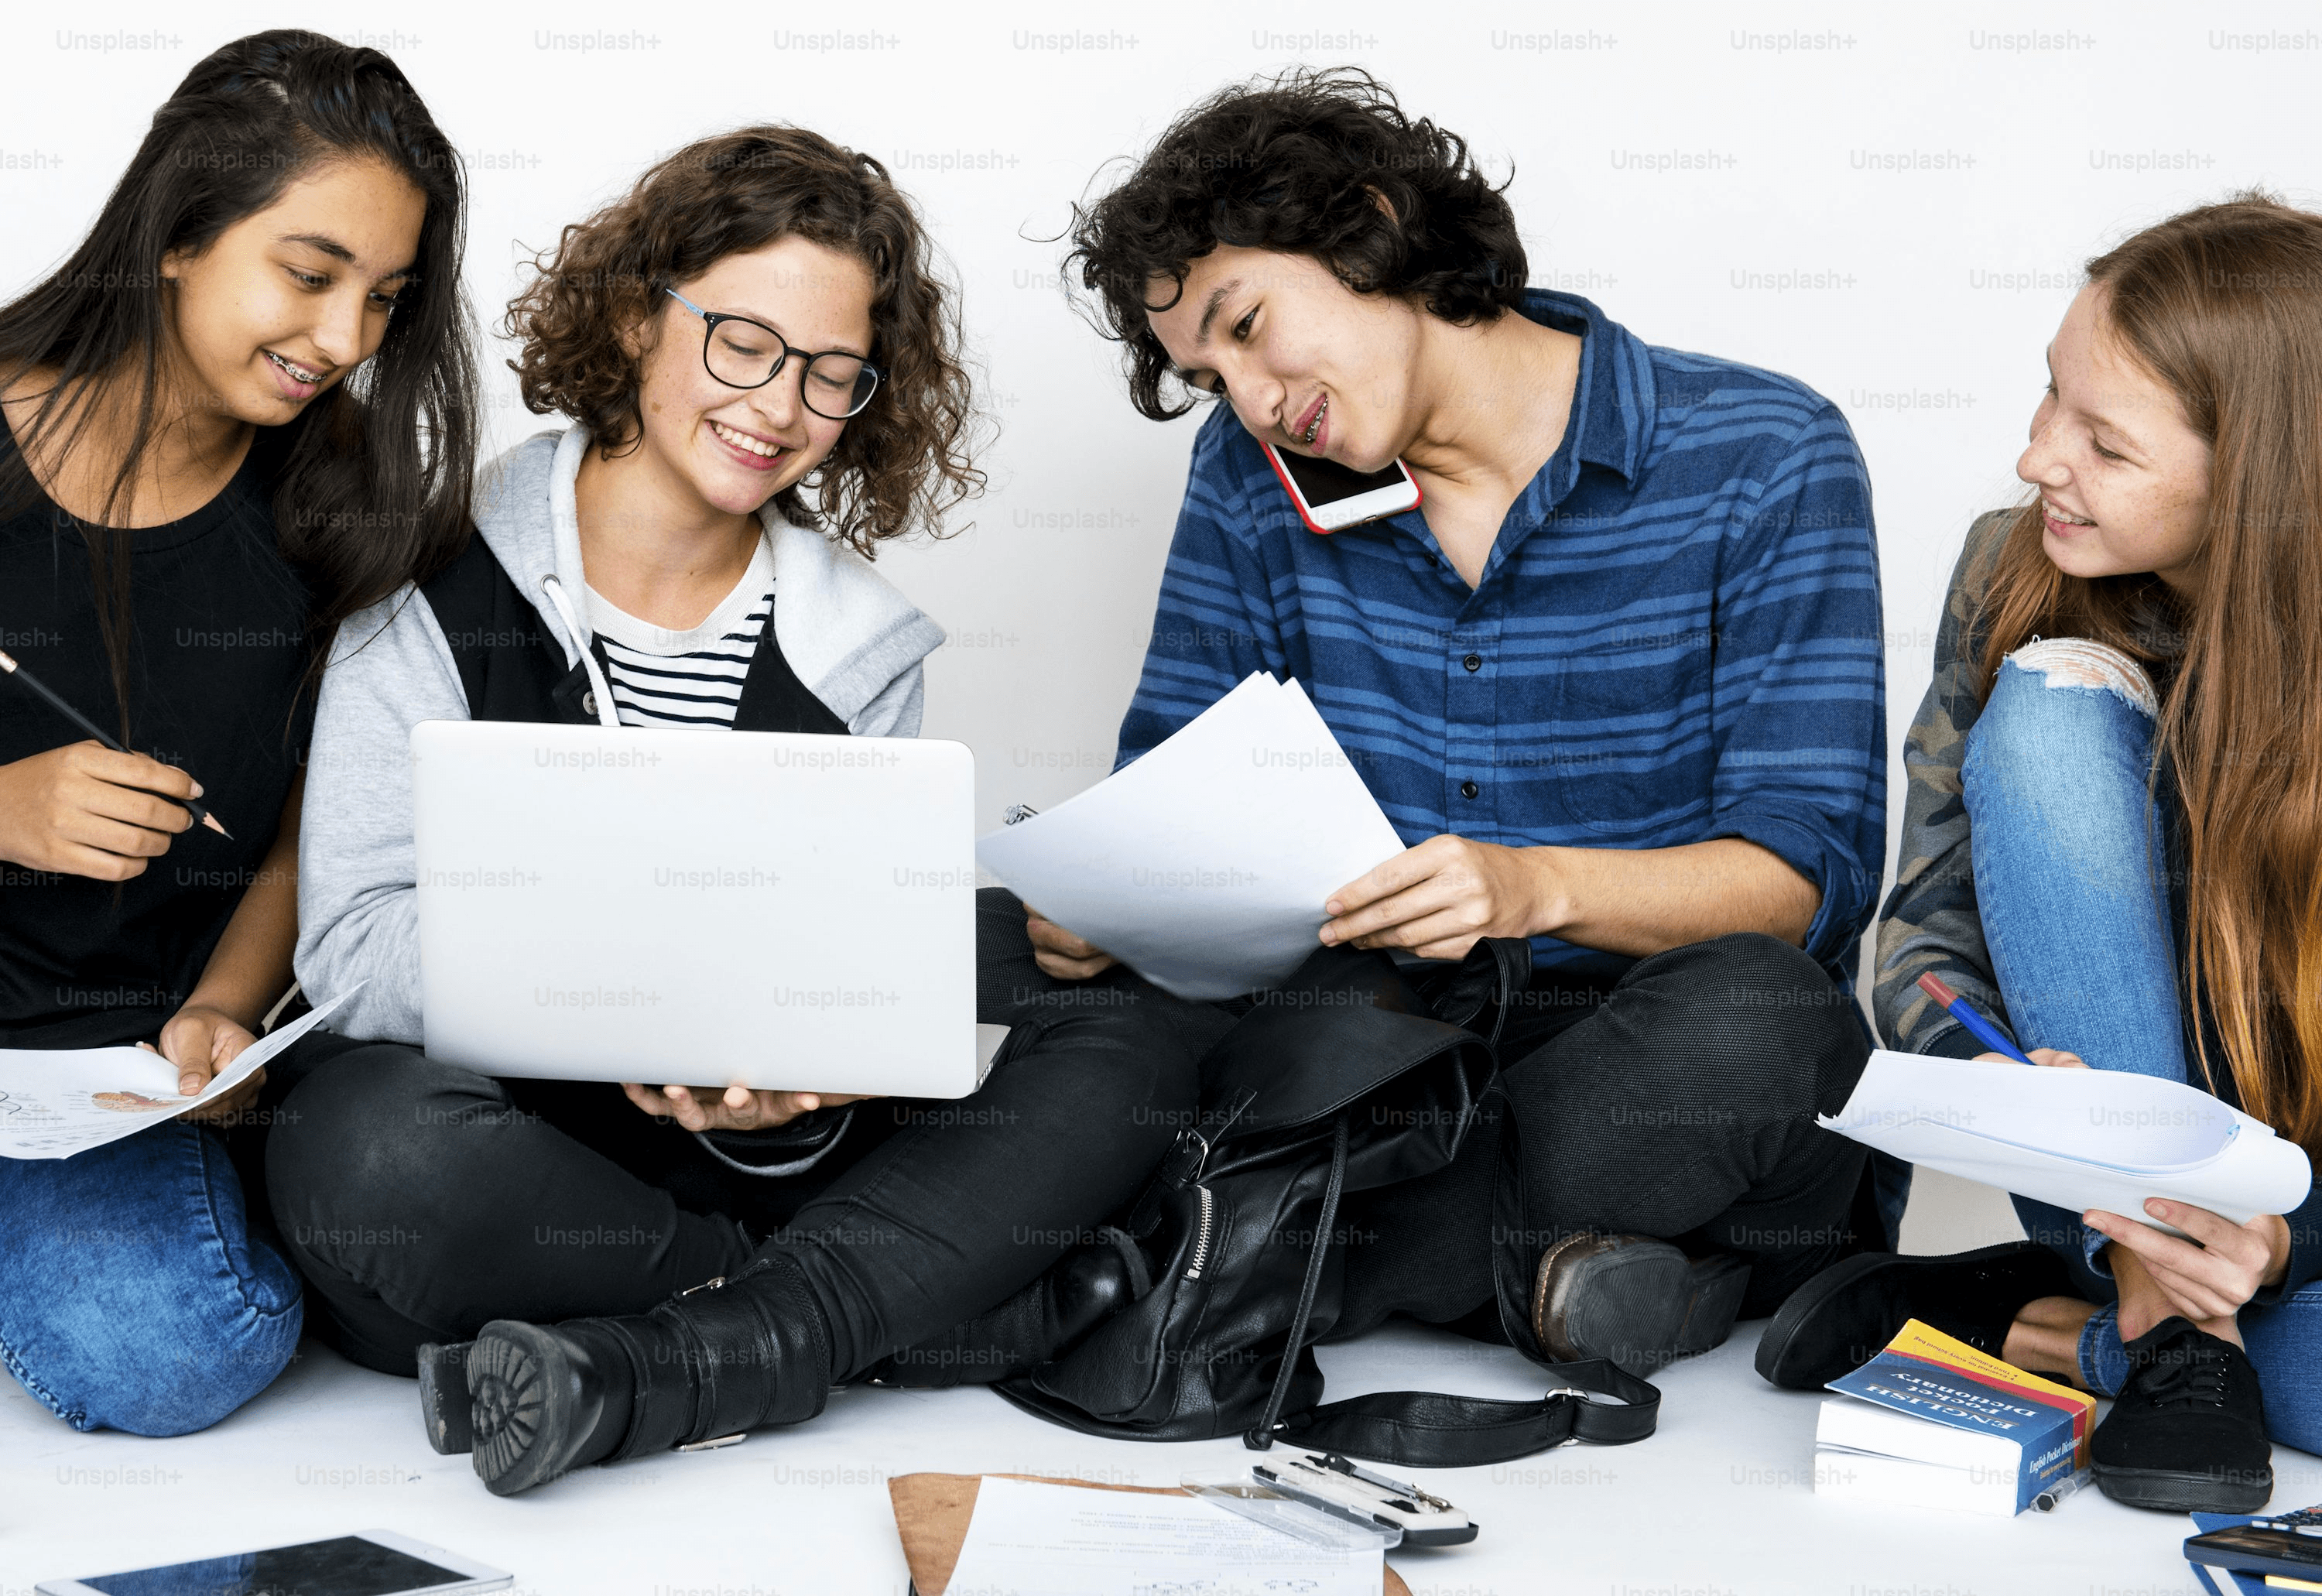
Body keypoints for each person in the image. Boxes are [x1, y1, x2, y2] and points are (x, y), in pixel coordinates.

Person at [268, 125, 1224, 1496]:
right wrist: (627, 994)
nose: (779, 407)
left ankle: (678, 1356)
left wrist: (822, 1067)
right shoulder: (422, 580)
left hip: (750, 1157)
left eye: (833, 376)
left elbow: (843, 972)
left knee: (1128, 1040)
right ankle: (869, 1311)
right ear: (633, 317)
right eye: (743, 344)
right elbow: (351, 947)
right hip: (517, 1159)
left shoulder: (863, 645)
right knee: (360, 1150)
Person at [1046, 69, 1889, 1375]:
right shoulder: (1252, 478)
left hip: (1660, 1051)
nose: (1257, 398)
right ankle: (1565, 1278)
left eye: (1250, 323)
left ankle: (1263, 1254)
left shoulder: (1766, 452)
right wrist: (1111, 889)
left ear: (1369, 223)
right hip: (1388, 1046)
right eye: (1211, 378)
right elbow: (1174, 789)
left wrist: (1529, 886)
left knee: (1761, 1017)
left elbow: (1802, 880)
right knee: (1035, 972)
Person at [1754, 194, 2322, 1515]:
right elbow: (1923, 932)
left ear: (2256, 483)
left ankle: (2043, 1326)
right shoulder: (2010, 572)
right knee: (2051, 707)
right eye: (2049, 398)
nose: (2034, 457)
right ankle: (2158, 1319)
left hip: (2292, 1204)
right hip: (2098, 1152)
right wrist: (1993, 1081)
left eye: (2103, 443)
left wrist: (2283, 1238)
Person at [0, 29, 475, 1435]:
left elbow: (303, 829)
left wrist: (223, 1002)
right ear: (176, 237)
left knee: (179, 1350)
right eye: (310, 274)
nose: (343, 341)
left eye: (384, 299)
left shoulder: (338, 510)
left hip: (103, 1074)